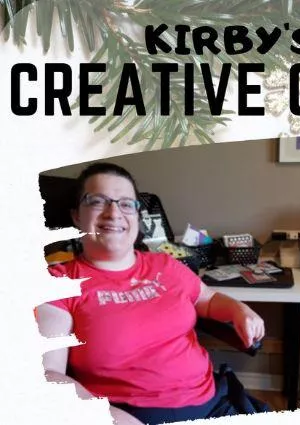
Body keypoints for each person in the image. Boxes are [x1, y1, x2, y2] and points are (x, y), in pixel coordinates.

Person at [36, 163, 266, 425]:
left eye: (126, 204)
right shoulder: (60, 282)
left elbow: (209, 299)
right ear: (77, 216)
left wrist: (239, 309)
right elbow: (48, 373)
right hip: (129, 415)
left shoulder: (165, 265)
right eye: (98, 201)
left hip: (214, 402)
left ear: (137, 216)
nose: (114, 213)